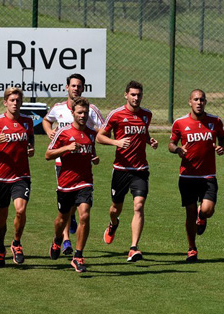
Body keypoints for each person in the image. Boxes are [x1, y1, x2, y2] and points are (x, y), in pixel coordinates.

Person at [42, 73, 104, 255]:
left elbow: (101, 131)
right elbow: (47, 121)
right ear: (67, 87)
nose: (76, 89)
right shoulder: (59, 109)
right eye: (73, 86)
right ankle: (62, 239)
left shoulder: (91, 110)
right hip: (63, 164)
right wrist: (50, 133)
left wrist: (92, 150)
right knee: (64, 213)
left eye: (79, 86)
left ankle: (76, 253)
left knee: (84, 211)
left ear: (83, 88)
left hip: (84, 169)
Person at [96, 81, 158, 262]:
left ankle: (133, 248)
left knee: (138, 206)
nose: (136, 98)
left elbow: (143, 133)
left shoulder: (147, 115)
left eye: (139, 95)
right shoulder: (116, 115)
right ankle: (113, 223)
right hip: (121, 169)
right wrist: (116, 142)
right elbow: (100, 137)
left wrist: (149, 141)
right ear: (126, 95)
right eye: (133, 95)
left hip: (140, 170)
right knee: (116, 209)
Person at [168, 89, 224, 262]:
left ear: (205, 102)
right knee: (190, 213)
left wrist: (221, 147)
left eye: (202, 100)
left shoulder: (215, 121)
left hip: (208, 175)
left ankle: (203, 216)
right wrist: (177, 149)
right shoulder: (180, 123)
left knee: (207, 210)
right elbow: (171, 143)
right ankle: (192, 248)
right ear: (190, 102)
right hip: (187, 177)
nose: (199, 102)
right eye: (196, 99)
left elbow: (223, 138)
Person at [0, 87, 35, 267]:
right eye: (12, 100)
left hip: (22, 175)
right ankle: (0, 247)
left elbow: (30, 142)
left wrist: (31, 149)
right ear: (5, 102)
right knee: (1, 216)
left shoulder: (27, 121)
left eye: (18, 100)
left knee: (20, 210)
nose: (15, 103)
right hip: (2, 177)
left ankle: (16, 243)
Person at [46, 97, 99, 273]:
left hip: (85, 182)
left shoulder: (92, 134)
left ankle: (78, 256)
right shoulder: (63, 133)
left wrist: (94, 158)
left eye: (85, 113)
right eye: (80, 112)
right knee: (62, 219)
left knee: (84, 215)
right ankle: (57, 239)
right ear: (72, 113)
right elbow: (48, 154)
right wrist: (66, 148)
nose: (83, 115)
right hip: (66, 183)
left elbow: (91, 152)